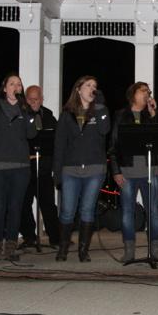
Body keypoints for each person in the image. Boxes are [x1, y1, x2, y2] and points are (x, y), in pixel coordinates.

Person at [0, 73, 37, 261]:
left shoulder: (24, 109)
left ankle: (11, 245)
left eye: (19, 84)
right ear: (5, 88)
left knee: (15, 206)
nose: (16, 87)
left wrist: (28, 113)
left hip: (21, 166)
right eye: (12, 84)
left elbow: (31, 134)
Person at [53, 75, 110, 262]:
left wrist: (101, 106)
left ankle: (83, 251)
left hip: (95, 168)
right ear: (78, 89)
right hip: (70, 169)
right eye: (88, 85)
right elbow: (59, 145)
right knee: (67, 210)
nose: (92, 89)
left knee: (87, 209)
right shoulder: (66, 114)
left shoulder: (100, 111)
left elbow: (105, 130)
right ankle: (62, 249)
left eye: (94, 86)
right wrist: (57, 172)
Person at [109, 81, 158, 264]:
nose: (147, 93)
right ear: (133, 94)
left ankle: (155, 250)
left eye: (148, 91)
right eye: (143, 91)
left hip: (150, 171)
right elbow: (113, 146)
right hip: (127, 171)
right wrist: (116, 171)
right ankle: (129, 251)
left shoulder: (151, 114)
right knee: (127, 212)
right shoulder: (121, 115)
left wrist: (154, 114)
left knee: (153, 212)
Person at [18, 85, 60, 250]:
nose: (34, 101)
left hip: (43, 169)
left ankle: (55, 238)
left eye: (37, 98)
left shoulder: (49, 116)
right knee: (23, 204)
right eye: (30, 98)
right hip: (25, 169)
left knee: (48, 204)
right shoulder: (20, 116)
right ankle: (29, 237)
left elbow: (56, 141)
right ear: (25, 99)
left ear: (42, 99)